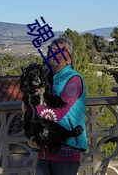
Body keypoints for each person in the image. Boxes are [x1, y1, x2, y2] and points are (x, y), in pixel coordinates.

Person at [22, 36, 87, 175]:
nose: (53, 53)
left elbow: (59, 114)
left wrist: (31, 109)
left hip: (67, 150)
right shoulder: (46, 79)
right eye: (51, 50)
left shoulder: (74, 79)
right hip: (44, 150)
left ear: (69, 58)